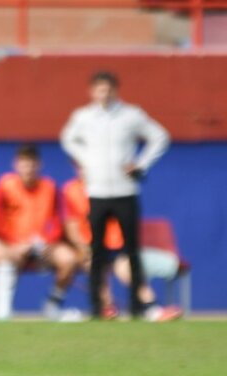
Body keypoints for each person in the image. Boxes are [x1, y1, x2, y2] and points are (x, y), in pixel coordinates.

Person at [60, 70, 170, 319]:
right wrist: (88, 161)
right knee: (97, 251)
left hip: (124, 190)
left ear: (115, 90)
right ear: (92, 91)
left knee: (131, 250)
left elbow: (160, 137)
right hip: (97, 191)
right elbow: (68, 139)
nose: (104, 93)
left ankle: (137, 306)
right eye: (99, 89)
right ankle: (98, 307)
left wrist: (140, 164)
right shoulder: (83, 116)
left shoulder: (131, 115)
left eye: (108, 88)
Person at [62, 174, 182, 321]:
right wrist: (84, 247)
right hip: (88, 248)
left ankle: (152, 308)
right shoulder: (72, 190)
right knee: (95, 264)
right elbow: (71, 226)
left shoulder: (113, 185)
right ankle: (107, 307)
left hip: (115, 246)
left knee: (126, 268)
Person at [0, 144, 81, 321]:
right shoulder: (4, 186)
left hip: (43, 247)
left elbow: (58, 220)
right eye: (24, 164)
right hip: (13, 245)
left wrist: (49, 241)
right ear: (16, 165)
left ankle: (52, 305)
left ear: (39, 165)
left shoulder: (50, 187)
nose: (28, 169)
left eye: (31, 164)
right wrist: (14, 243)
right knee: (2, 256)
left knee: (68, 259)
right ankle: (2, 313)